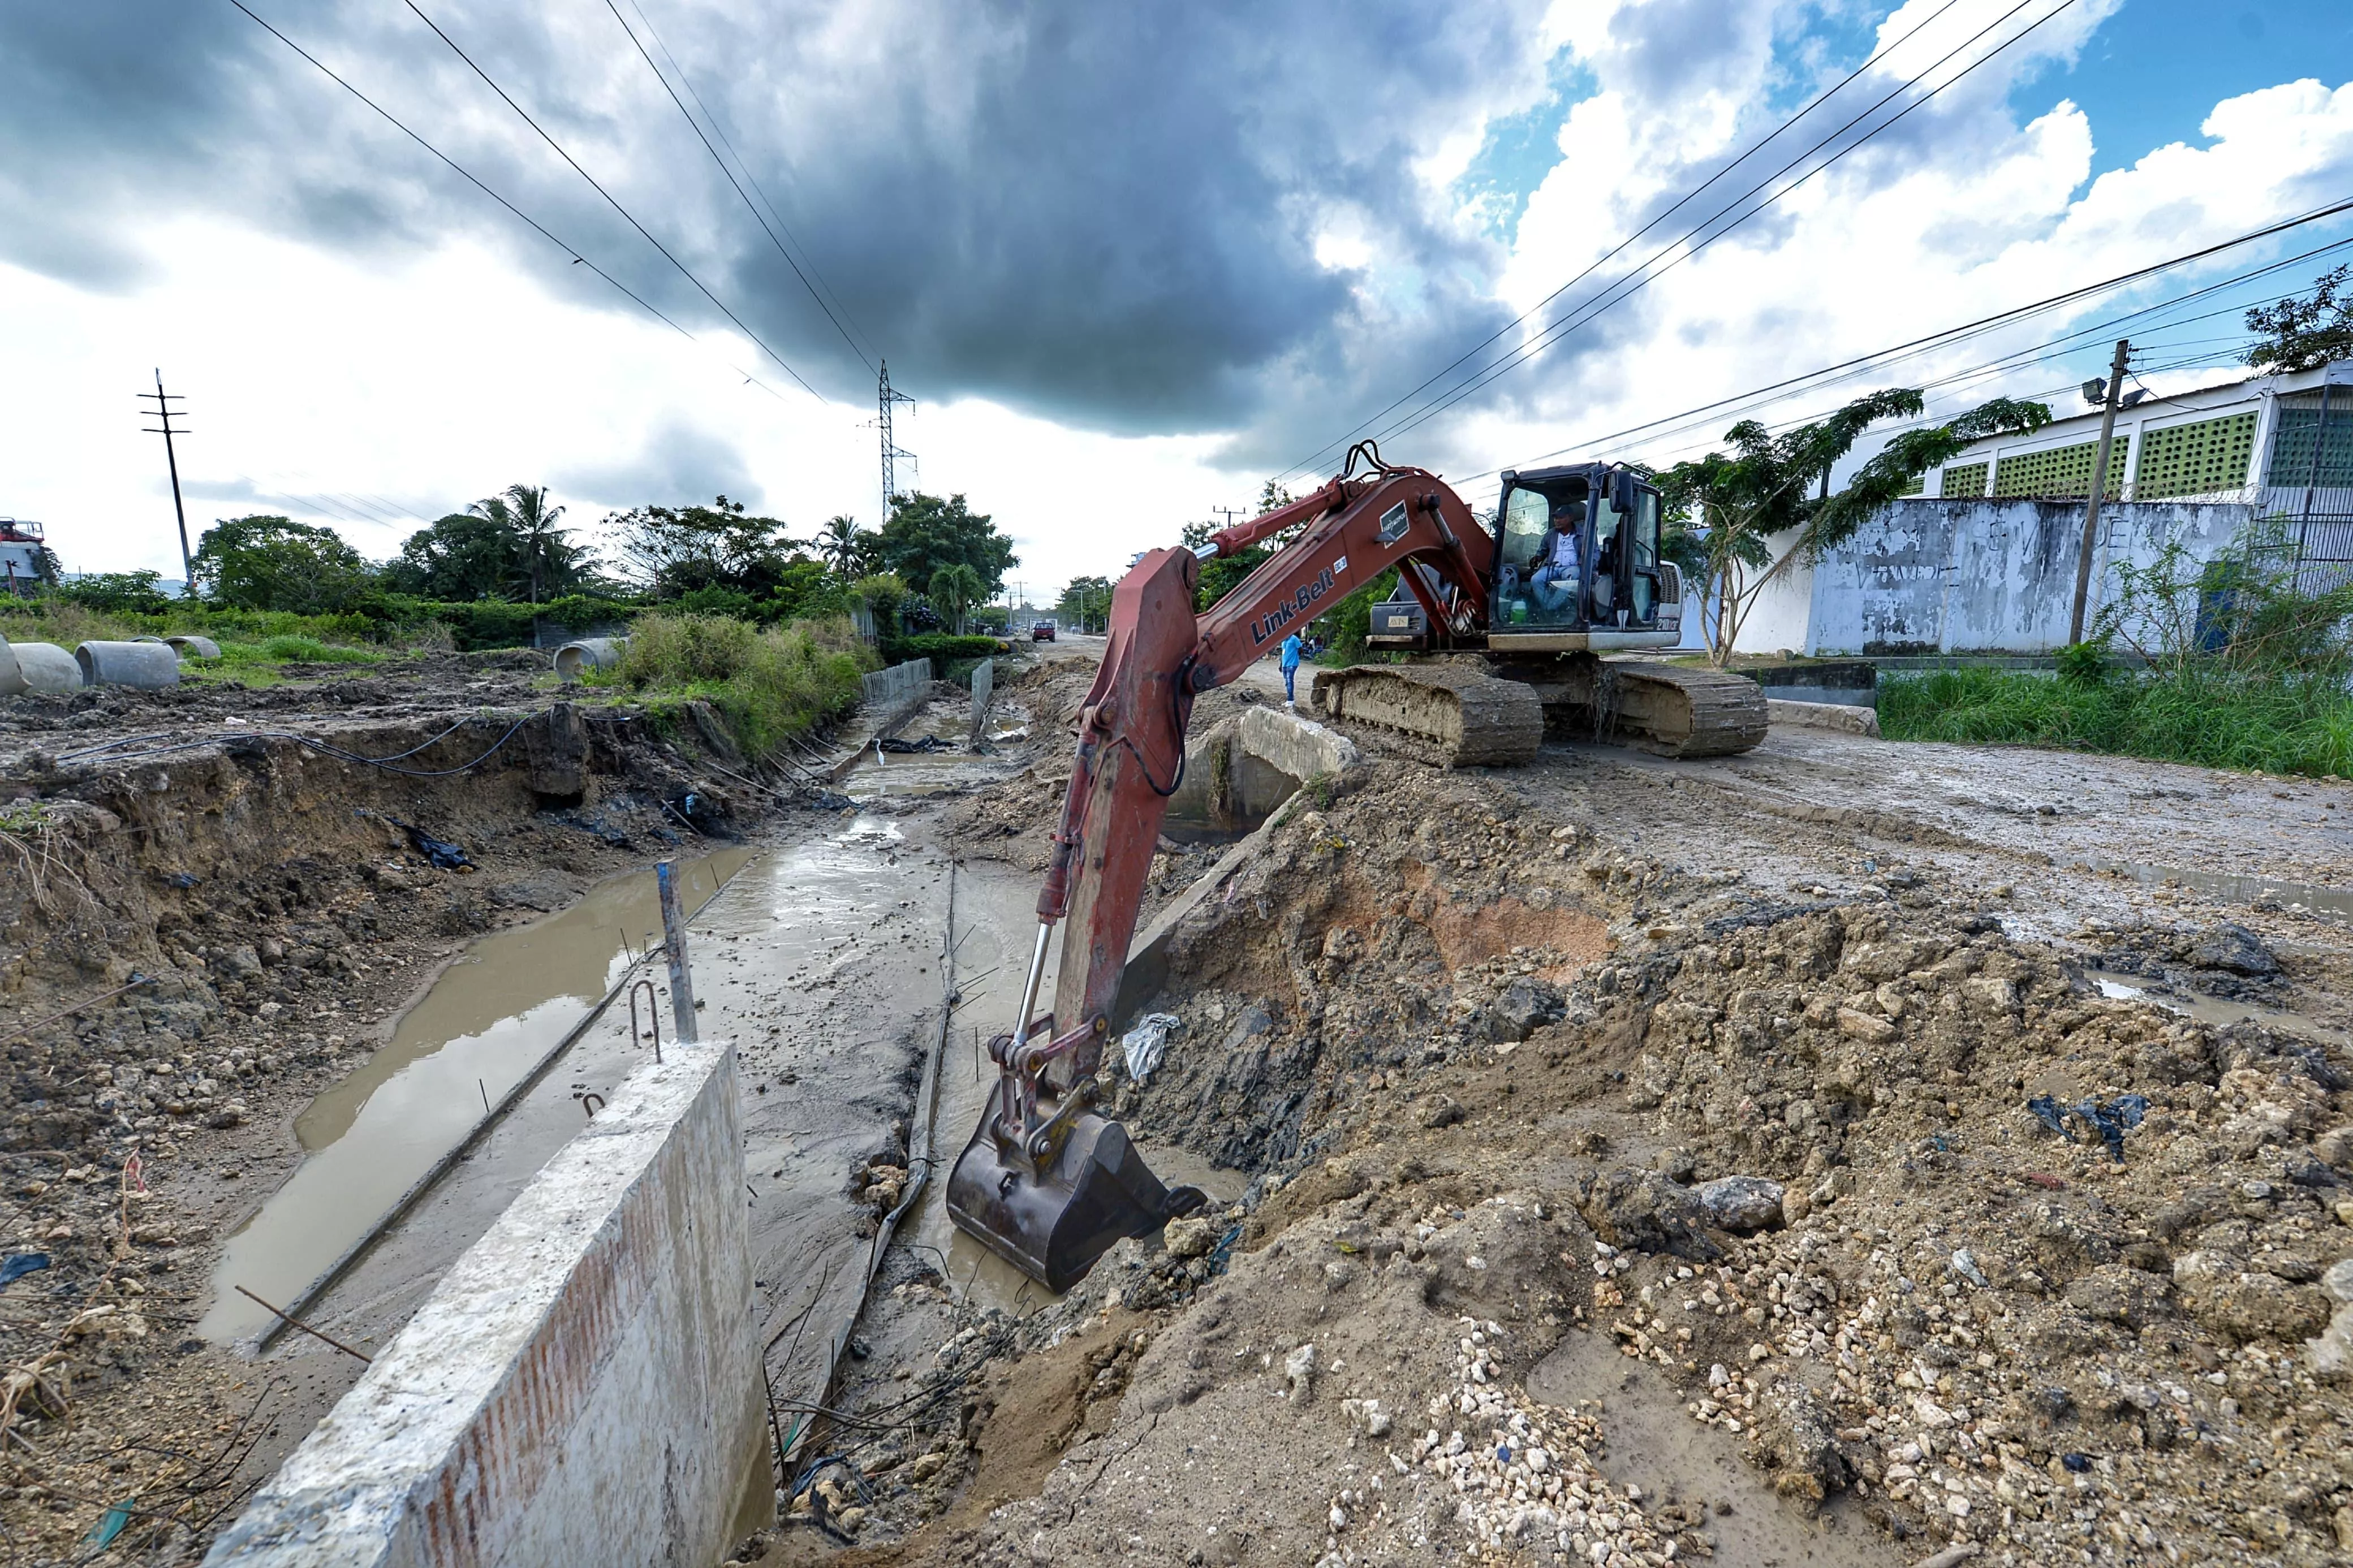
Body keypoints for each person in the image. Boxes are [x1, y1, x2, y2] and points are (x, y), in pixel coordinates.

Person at [1529, 499, 1585, 617]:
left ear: (1570, 518)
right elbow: (1543, 549)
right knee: (1536, 579)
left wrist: (1587, 564)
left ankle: (1550, 608)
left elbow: (1594, 553)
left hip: (1572, 567)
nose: (1557, 521)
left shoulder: (1583, 534)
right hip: (1553, 566)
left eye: (1560, 518)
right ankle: (1551, 607)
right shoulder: (1551, 534)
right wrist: (1538, 557)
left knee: (1569, 579)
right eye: (1555, 518)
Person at [1280, 629, 1304, 706]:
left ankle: (1291, 700)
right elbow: (1283, 653)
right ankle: (1289, 699)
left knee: (1290, 680)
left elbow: (1300, 649)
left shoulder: (1294, 639)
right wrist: (1281, 665)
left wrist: (1295, 657)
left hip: (1292, 664)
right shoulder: (1283, 641)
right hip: (1285, 664)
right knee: (1287, 682)